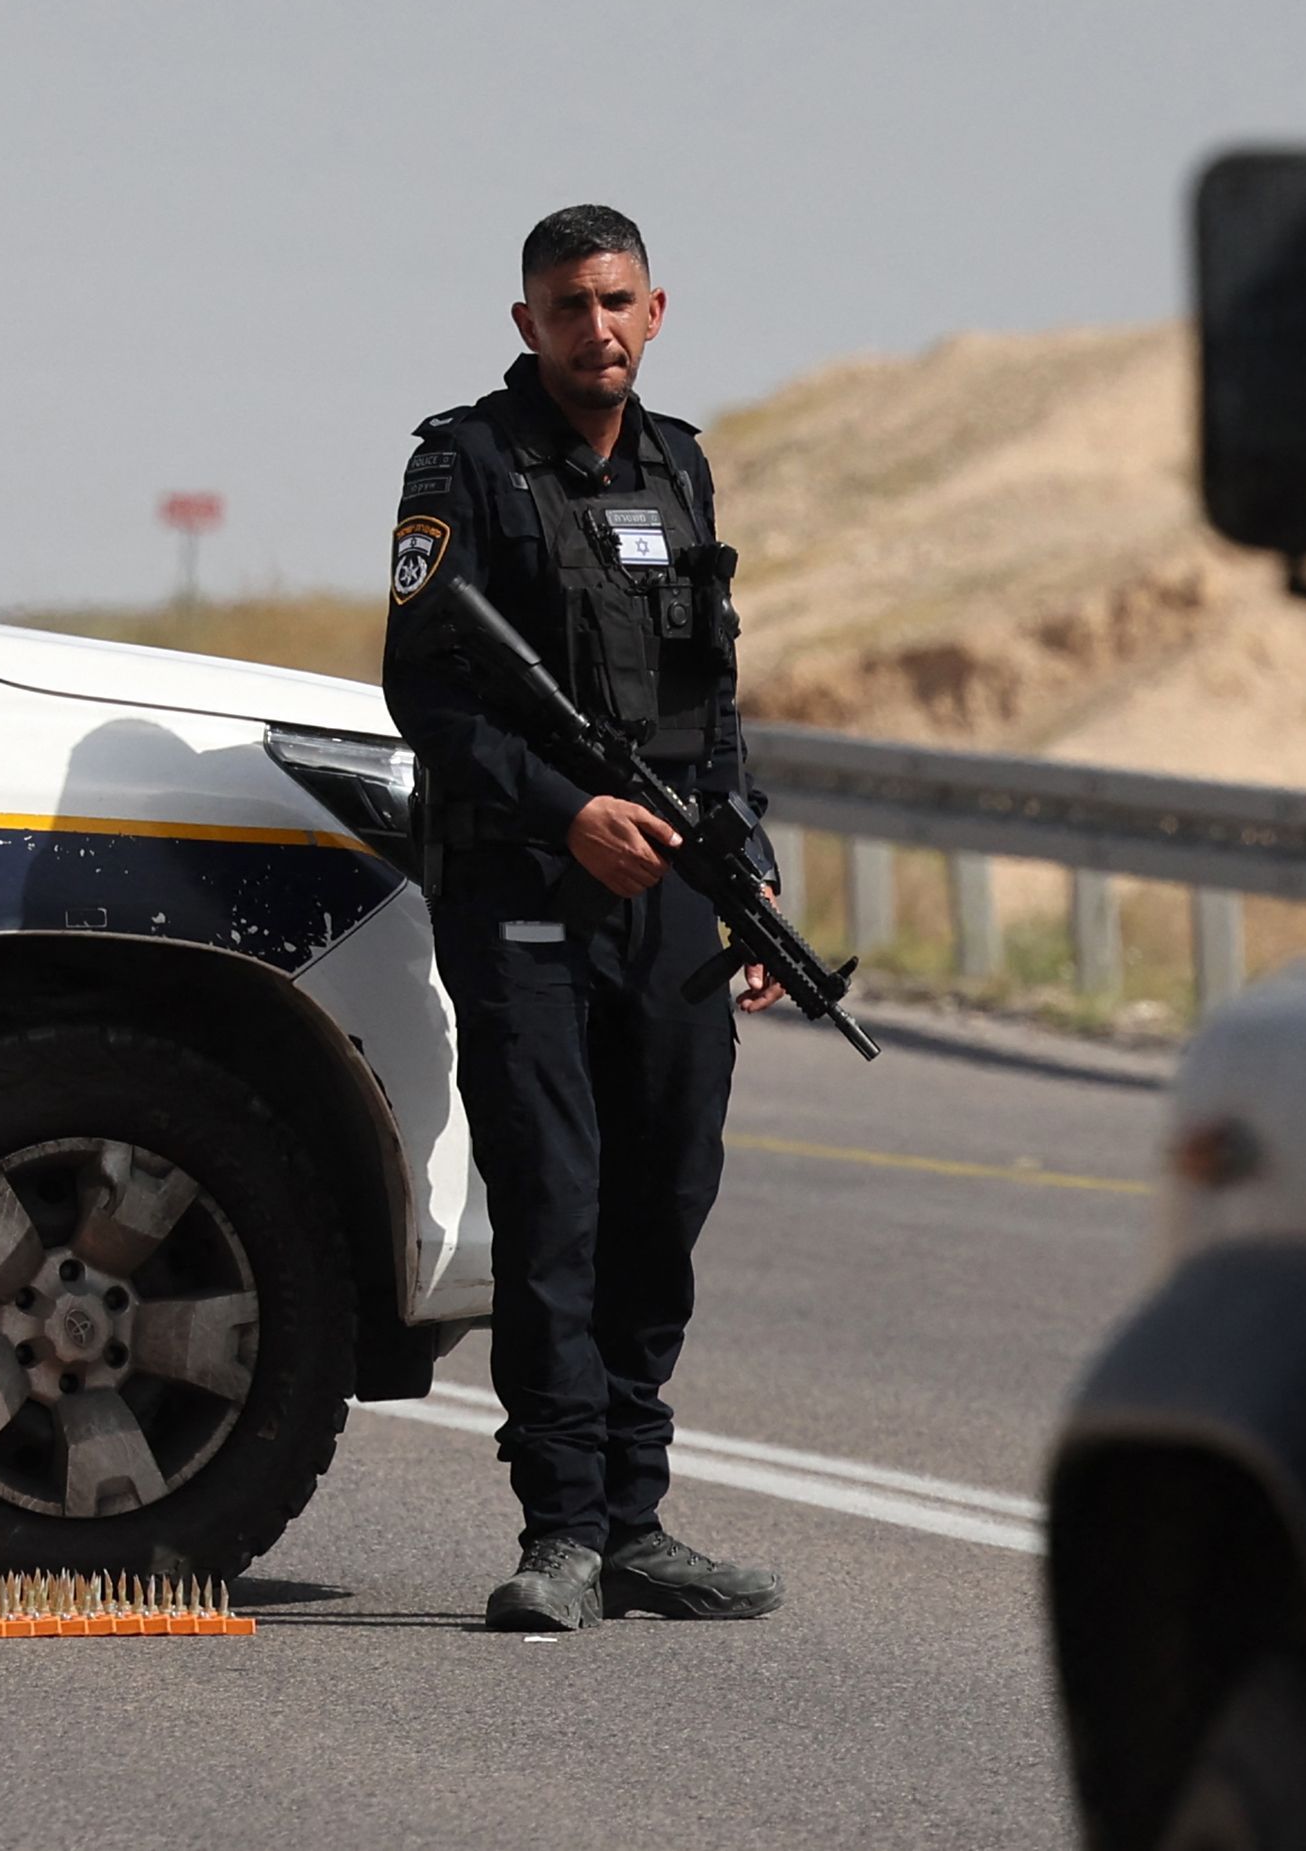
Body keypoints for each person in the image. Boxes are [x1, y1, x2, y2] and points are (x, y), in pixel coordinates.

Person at [380, 203, 789, 1634]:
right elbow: (424, 693)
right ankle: (561, 1529)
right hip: (529, 895)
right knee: (556, 1206)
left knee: (665, 1202)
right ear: (526, 324)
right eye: (568, 306)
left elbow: (711, 694)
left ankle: (636, 1522)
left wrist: (743, 865)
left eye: (617, 303)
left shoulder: (679, 466)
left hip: (673, 892)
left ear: (657, 311)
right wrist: (566, 814)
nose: (595, 329)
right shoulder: (466, 470)